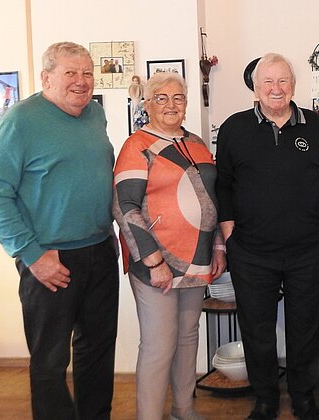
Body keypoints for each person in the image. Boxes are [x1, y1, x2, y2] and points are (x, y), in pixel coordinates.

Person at [0, 42, 119, 420]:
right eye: (70, 73)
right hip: (49, 258)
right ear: (46, 78)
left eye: (87, 73)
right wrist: (32, 255)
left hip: (100, 250)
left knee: (98, 351)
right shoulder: (20, 121)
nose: (81, 81)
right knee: (50, 360)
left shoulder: (95, 114)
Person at [216, 53, 319, 420]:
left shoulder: (316, 126)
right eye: (268, 81)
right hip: (251, 252)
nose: (276, 88)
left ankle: (304, 399)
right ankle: (265, 399)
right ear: (256, 88)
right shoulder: (234, 128)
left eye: (283, 81)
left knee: (305, 330)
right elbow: (224, 184)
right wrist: (229, 232)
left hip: (306, 250)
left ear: (293, 86)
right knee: (257, 330)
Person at [113, 71, 227, 420]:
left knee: (188, 337)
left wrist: (218, 246)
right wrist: (153, 261)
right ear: (147, 105)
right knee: (159, 344)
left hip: (196, 258)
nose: (170, 104)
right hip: (158, 263)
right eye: (161, 98)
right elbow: (124, 206)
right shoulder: (137, 145)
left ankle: (183, 409)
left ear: (186, 103)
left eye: (178, 97)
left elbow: (211, 198)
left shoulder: (196, 142)